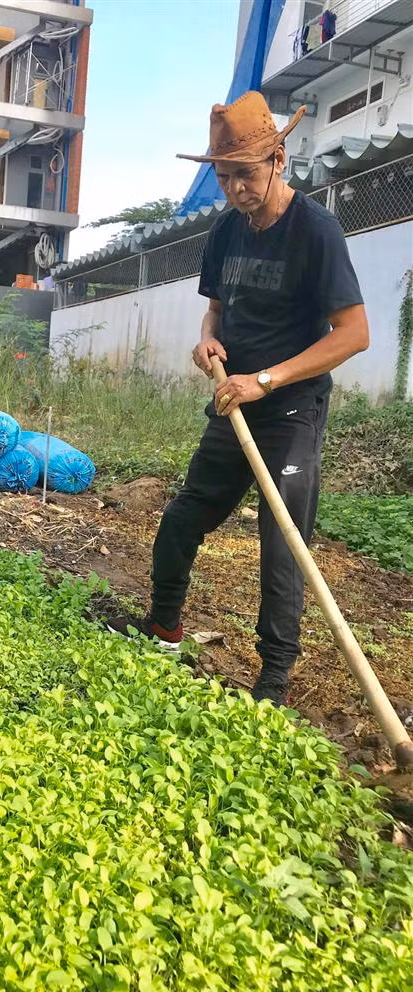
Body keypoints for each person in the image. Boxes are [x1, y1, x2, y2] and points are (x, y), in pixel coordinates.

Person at [109, 91, 369, 707]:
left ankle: (273, 681)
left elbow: (354, 334)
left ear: (278, 159)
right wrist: (209, 344)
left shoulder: (316, 231)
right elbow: (217, 310)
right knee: (183, 518)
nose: (233, 190)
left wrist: (268, 379)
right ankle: (164, 627)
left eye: (244, 175)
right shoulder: (227, 228)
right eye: (222, 177)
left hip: (290, 410)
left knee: (283, 546)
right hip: (234, 405)